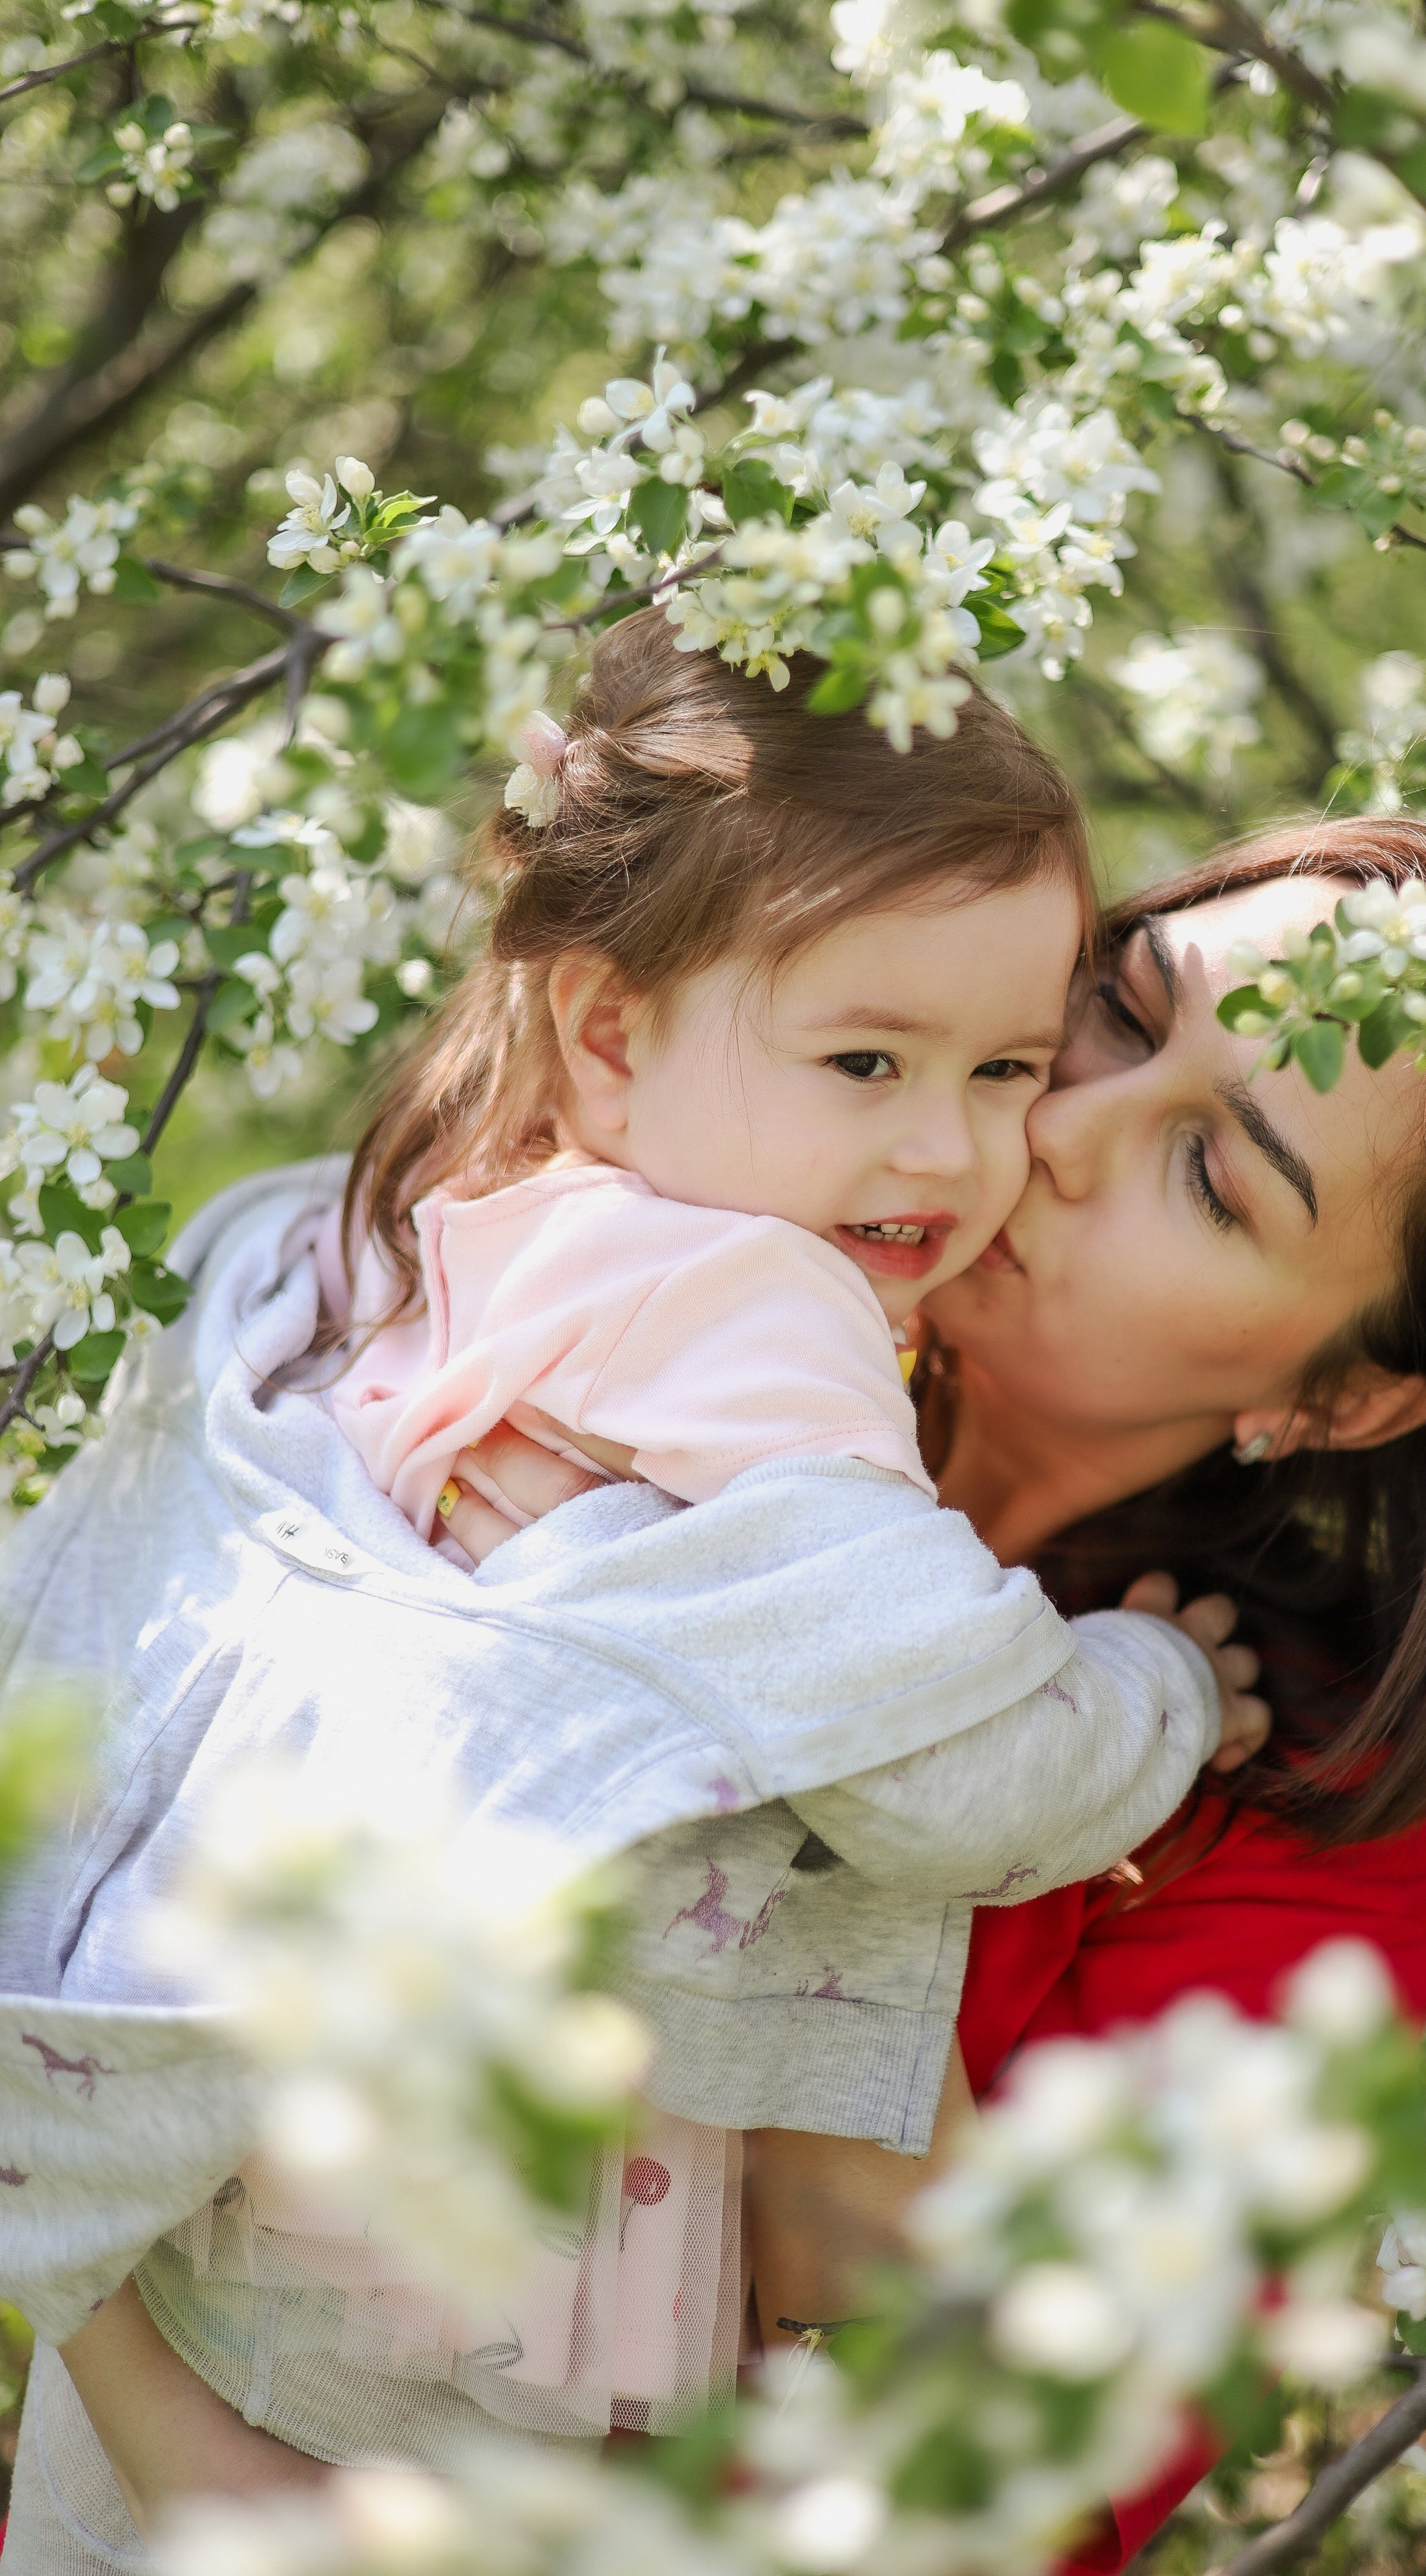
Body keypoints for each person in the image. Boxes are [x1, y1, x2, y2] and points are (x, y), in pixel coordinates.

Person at [0, 627, 1266, 2563]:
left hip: (224, 2288)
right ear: (607, 1033)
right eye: (868, 1061)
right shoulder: (764, 1312)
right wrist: (1158, 1686)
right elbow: (953, 1772)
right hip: (446, 2363)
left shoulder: (418, 1231)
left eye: (1007, 1066)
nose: (953, 1147)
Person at [446, 813, 1426, 2566]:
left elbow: (1000, 2501)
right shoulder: (650, 1265)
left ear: (1340, 1398)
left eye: (1213, 1176)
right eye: (1117, 1013)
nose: (1047, 1127)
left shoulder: (1292, 1825)